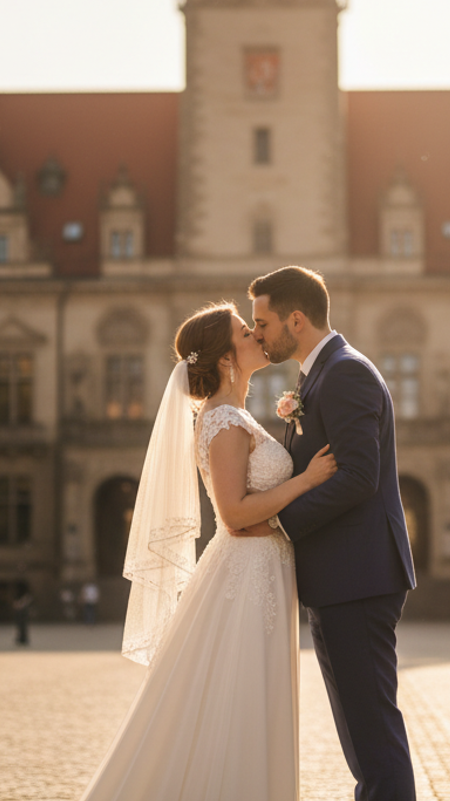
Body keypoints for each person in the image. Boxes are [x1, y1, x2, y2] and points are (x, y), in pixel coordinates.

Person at [79, 302, 337, 800]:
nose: (257, 335)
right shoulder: (223, 420)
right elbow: (234, 513)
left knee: (246, 696)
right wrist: (305, 481)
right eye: (245, 331)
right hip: (246, 573)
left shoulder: (233, 416)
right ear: (224, 357)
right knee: (240, 697)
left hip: (262, 568)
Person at [249, 267, 418, 801]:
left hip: (358, 577)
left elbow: (359, 477)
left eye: (263, 323)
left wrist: (280, 522)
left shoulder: (345, 373)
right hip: (341, 577)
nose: (257, 334)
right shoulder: (320, 374)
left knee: (373, 734)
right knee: (362, 737)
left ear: (296, 320)